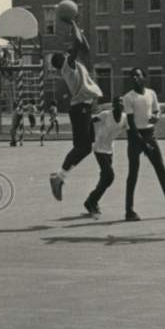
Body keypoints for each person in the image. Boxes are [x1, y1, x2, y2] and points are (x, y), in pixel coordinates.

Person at [49, 18, 102, 201]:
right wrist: (72, 23)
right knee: (83, 147)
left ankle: (61, 176)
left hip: (83, 107)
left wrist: (78, 29)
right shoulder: (67, 65)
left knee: (86, 147)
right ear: (62, 59)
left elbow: (84, 46)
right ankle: (59, 177)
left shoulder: (72, 65)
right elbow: (78, 44)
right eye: (65, 54)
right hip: (80, 109)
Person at [123, 68, 165, 221]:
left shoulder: (151, 93)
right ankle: (129, 211)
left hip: (149, 134)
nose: (135, 78)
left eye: (138, 75)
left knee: (161, 171)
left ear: (144, 78)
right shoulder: (128, 97)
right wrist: (143, 145)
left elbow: (157, 111)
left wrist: (157, 117)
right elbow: (131, 124)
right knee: (133, 174)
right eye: (132, 76)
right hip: (135, 137)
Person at [84, 97, 128, 216]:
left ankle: (92, 202)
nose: (119, 103)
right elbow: (90, 121)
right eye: (117, 102)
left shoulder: (125, 118)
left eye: (121, 102)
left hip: (109, 150)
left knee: (105, 179)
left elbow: (131, 131)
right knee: (109, 176)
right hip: (99, 148)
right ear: (113, 104)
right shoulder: (105, 114)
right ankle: (91, 200)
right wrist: (90, 138)